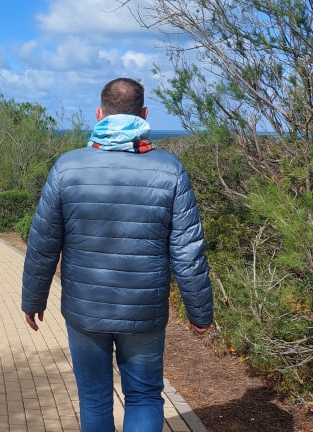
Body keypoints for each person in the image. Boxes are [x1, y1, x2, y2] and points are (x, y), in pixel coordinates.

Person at [21, 77, 213, 432]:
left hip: (85, 309)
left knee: (94, 398)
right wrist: (199, 311)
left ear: (100, 114)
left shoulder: (67, 167)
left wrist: (33, 299)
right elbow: (189, 251)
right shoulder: (170, 169)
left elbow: (43, 242)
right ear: (144, 114)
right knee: (144, 396)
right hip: (144, 310)